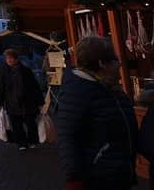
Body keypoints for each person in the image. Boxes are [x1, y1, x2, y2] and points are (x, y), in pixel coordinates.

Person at [57, 35, 137, 190]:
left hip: (119, 174)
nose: (119, 65)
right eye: (115, 60)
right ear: (102, 64)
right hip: (98, 179)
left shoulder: (110, 89)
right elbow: (67, 137)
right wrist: (75, 179)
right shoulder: (79, 93)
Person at [0, 48, 43, 151]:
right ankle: (22, 143)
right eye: (7, 59)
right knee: (17, 125)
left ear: (16, 59)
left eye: (10, 58)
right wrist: (0, 101)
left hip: (27, 102)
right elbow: (1, 88)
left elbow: (34, 87)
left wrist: (40, 101)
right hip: (12, 103)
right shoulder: (4, 72)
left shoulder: (26, 71)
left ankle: (32, 141)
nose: (8, 61)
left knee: (30, 123)